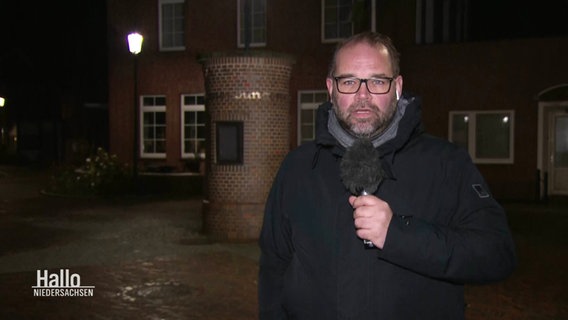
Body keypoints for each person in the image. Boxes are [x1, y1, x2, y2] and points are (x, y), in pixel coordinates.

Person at [258, 31, 517, 319]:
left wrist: (398, 234)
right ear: (331, 89)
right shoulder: (298, 168)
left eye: (378, 81)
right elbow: (274, 268)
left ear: (397, 87)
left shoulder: (446, 163)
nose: (363, 96)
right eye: (349, 82)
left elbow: (496, 254)